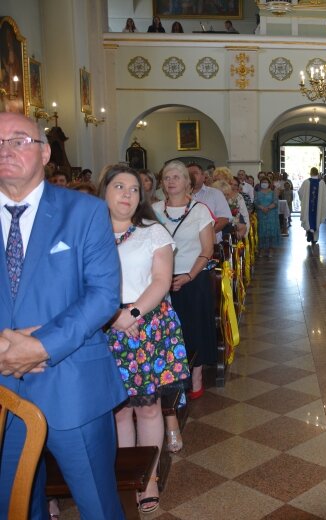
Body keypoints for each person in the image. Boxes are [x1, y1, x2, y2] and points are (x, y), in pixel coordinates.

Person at [0, 112, 126, 518]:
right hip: (2, 383)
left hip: (73, 383)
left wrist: (40, 345)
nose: (6, 151)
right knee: (12, 505)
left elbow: (104, 295)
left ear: (45, 151)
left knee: (97, 505)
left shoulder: (84, 212)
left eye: (19, 140)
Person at [99, 165, 190, 514]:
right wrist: (112, 317)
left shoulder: (153, 231)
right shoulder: (90, 232)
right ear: (104, 191)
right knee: (119, 411)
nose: (126, 194)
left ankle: (149, 478)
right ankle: (126, 477)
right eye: (119, 186)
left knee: (149, 407)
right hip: (105, 326)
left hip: (148, 324)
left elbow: (161, 280)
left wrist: (131, 315)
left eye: (134, 189)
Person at [153, 161, 215, 402]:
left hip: (193, 277)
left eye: (176, 176)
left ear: (188, 182)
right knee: (167, 331)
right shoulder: (154, 210)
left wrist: (188, 276)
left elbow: (207, 249)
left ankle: (196, 375)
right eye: (167, 177)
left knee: (193, 328)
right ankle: (171, 377)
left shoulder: (199, 210)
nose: (171, 181)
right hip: (160, 280)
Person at [188, 163, 231, 241]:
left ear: (203, 176)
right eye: (188, 174)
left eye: (195, 173)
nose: (191, 176)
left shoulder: (215, 193)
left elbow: (223, 218)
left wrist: (205, 234)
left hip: (211, 241)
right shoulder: (180, 195)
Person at [298, 166, 326, 244]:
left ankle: (309, 232)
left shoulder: (306, 182)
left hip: (308, 207)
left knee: (308, 219)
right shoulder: (322, 183)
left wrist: (304, 200)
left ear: (311, 173)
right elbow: (325, 194)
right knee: (317, 220)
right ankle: (314, 238)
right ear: (317, 173)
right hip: (318, 208)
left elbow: (300, 193)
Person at [254, 174, 280, 256]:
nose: (264, 183)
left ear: (269, 183)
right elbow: (255, 202)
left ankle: (271, 249)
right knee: (262, 231)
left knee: (271, 232)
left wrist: (268, 208)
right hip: (261, 214)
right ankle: (261, 249)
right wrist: (262, 208)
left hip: (271, 214)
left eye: (266, 182)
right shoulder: (257, 192)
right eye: (262, 182)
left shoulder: (273, 192)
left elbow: (275, 202)